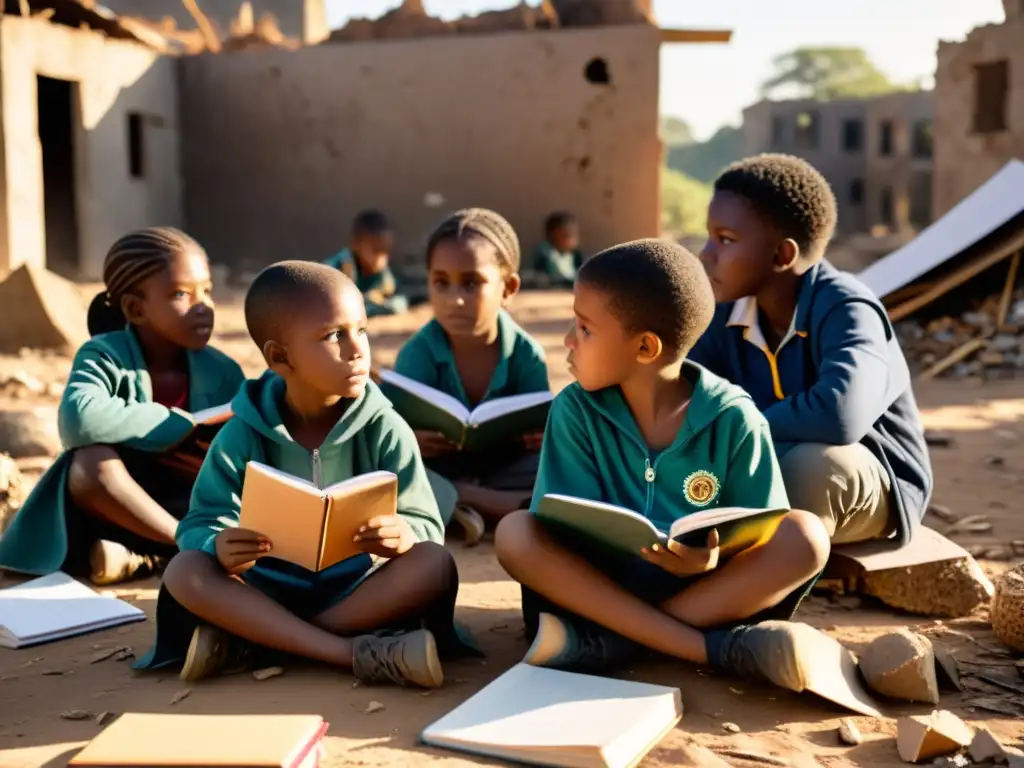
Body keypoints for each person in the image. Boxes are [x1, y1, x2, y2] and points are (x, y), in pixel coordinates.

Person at [495, 239, 838, 695]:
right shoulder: (573, 410)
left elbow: (762, 531)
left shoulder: (736, 419)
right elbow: (559, 525)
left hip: (705, 595)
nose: (568, 341)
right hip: (598, 589)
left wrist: (708, 560)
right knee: (515, 533)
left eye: (585, 328)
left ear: (645, 348)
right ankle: (708, 650)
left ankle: (613, 644)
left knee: (806, 537)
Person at [135, 262, 458, 689]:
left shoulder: (386, 426)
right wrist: (218, 544)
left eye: (360, 329)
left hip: (357, 590)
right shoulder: (240, 433)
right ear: (279, 357)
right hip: (261, 589)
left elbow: (426, 524)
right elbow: (199, 523)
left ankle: (260, 640)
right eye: (332, 336)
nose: (357, 349)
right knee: (185, 571)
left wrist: (405, 534)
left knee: (434, 564)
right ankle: (350, 653)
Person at [691, 154, 932, 547]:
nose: (706, 253)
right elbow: (684, 395)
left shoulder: (846, 306)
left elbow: (840, 414)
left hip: (865, 479)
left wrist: (731, 434)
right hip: (759, 464)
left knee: (812, 468)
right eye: (709, 236)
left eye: (726, 240)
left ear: (782, 256)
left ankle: (754, 580)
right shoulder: (725, 314)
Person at [0, 228, 244, 586]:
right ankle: (187, 547)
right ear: (135, 308)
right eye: (181, 293)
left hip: (191, 501)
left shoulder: (222, 370)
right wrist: (180, 424)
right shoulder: (105, 354)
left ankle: (142, 558)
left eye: (206, 290)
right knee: (91, 462)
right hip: (116, 506)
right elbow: (80, 418)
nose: (203, 305)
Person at [391, 208, 549, 543]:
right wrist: (413, 440)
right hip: (436, 469)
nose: (454, 299)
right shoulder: (417, 353)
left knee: (567, 470)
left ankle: (458, 505)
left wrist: (539, 437)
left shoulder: (526, 354)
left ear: (508, 288)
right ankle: (485, 504)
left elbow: (540, 431)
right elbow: (392, 436)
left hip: (503, 470)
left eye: (472, 282)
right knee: (382, 473)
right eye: (441, 283)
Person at [323, 209, 408, 317]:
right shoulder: (335, 270)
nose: (382, 258)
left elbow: (394, 298)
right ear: (355, 245)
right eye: (376, 250)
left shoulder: (382, 273)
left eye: (386, 251)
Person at [532, 211, 584, 288]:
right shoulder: (545, 255)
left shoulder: (577, 256)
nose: (572, 240)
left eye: (574, 235)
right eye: (566, 235)